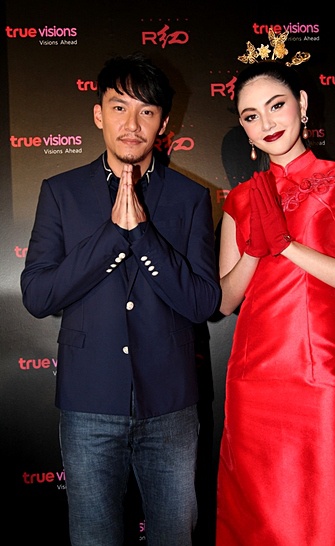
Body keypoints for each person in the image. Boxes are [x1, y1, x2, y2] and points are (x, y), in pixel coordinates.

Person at [20, 52, 221, 546]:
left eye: (146, 111)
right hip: (88, 402)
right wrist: (112, 236)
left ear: (164, 123)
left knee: (175, 536)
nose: (132, 124)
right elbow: (38, 294)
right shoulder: (61, 192)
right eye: (119, 108)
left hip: (171, 406)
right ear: (98, 114)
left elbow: (202, 303)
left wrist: (144, 237)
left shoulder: (191, 197)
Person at [215, 34, 335, 546]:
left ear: (301, 103)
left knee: (324, 516)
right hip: (253, 378)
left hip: (322, 375)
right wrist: (256, 251)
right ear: (244, 129)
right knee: (261, 520)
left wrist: (288, 246)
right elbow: (226, 301)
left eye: (276, 106)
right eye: (251, 116)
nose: (267, 123)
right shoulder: (241, 199)